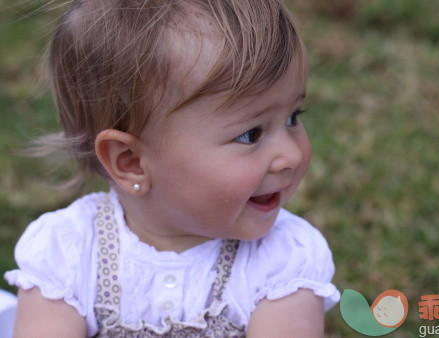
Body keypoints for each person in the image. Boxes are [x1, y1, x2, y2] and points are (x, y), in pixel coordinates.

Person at [4, 0, 340, 336]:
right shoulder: (69, 253)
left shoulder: (282, 260)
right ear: (131, 162)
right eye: (250, 134)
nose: (291, 155)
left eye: (293, 117)